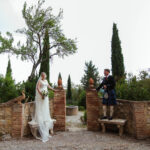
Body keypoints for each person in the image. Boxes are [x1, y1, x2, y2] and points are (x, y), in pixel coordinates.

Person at [29, 72, 56, 142]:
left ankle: (45, 117)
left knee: (45, 107)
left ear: (45, 76)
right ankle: (40, 118)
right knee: (40, 107)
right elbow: (37, 88)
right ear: (41, 76)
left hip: (46, 96)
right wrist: (41, 94)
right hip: (41, 96)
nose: (44, 76)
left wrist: (53, 89)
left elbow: (48, 86)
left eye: (45, 75)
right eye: (43, 75)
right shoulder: (39, 81)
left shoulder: (46, 81)